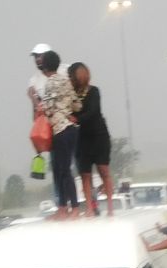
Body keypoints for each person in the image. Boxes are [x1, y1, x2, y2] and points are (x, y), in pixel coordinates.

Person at [37, 51, 81, 220]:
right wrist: (68, 111)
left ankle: (72, 208)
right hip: (71, 129)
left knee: (62, 171)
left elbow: (47, 109)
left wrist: (41, 108)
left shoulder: (51, 83)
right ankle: (64, 208)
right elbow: (77, 105)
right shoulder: (66, 81)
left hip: (59, 130)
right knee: (62, 169)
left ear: (46, 66)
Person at [68, 62, 114, 217]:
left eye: (71, 76)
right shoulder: (71, 95)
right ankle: (89, 207)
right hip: (81, 138)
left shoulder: (94, 91)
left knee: (104, 170)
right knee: (85, 174)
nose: (69, 79)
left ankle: (110, 207)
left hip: (98, 135)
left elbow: (94, 112)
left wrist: (76, 119)